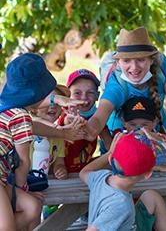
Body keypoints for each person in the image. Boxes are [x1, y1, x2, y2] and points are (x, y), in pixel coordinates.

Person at [0, 53, 82, 231]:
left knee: (32, 207)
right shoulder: (20, 116)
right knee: (7, 226)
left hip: (3, 180)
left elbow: (33, 125)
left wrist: (57, 101)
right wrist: (24, 189)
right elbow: (22, 161)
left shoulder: (8, 109)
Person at [82, 26, 166, 152]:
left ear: (151, 60)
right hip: (120, 149)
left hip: (157, 143)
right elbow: (99, 116)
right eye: (126, 61)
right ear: (118, 63)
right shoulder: (117, 86)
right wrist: (87, 128)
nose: (134, 67)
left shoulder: (161, 69)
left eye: (141, 59)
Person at [80, 132, 166, 231]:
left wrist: (109, 153)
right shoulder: (121, 205)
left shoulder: (100, 178)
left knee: (151, 196)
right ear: (148, 174)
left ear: (110, 159)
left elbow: (84, 172)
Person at [57, 69, 112, 173]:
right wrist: (72, 119)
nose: (83, 98)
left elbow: (109, 145)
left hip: (85, 167)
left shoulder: (98, 118)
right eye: (77, 93)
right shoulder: (66, 114)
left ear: (98, 95)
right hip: (60, 167)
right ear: (68, 96)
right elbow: (67, 122)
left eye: (90, 93)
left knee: (113, 164)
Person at [114, 96, 166, 173]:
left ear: (154, 122)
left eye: (144, 125)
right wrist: (157, 168)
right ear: (124, 122)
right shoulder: (122, 140)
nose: (139, 129)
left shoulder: (159, 137)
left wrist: (159, 140)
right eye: (133, 124)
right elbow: (121, 167)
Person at [30, 85, 71, 180]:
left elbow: (59, 162)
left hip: (39, 181)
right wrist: (61, 130)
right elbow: (38, 125)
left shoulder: (58, 135)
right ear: (33, 109)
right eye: (48, 102)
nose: (53, 106)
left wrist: (60, 169)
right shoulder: (30, 123)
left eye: (57, 103)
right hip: (19, 180)